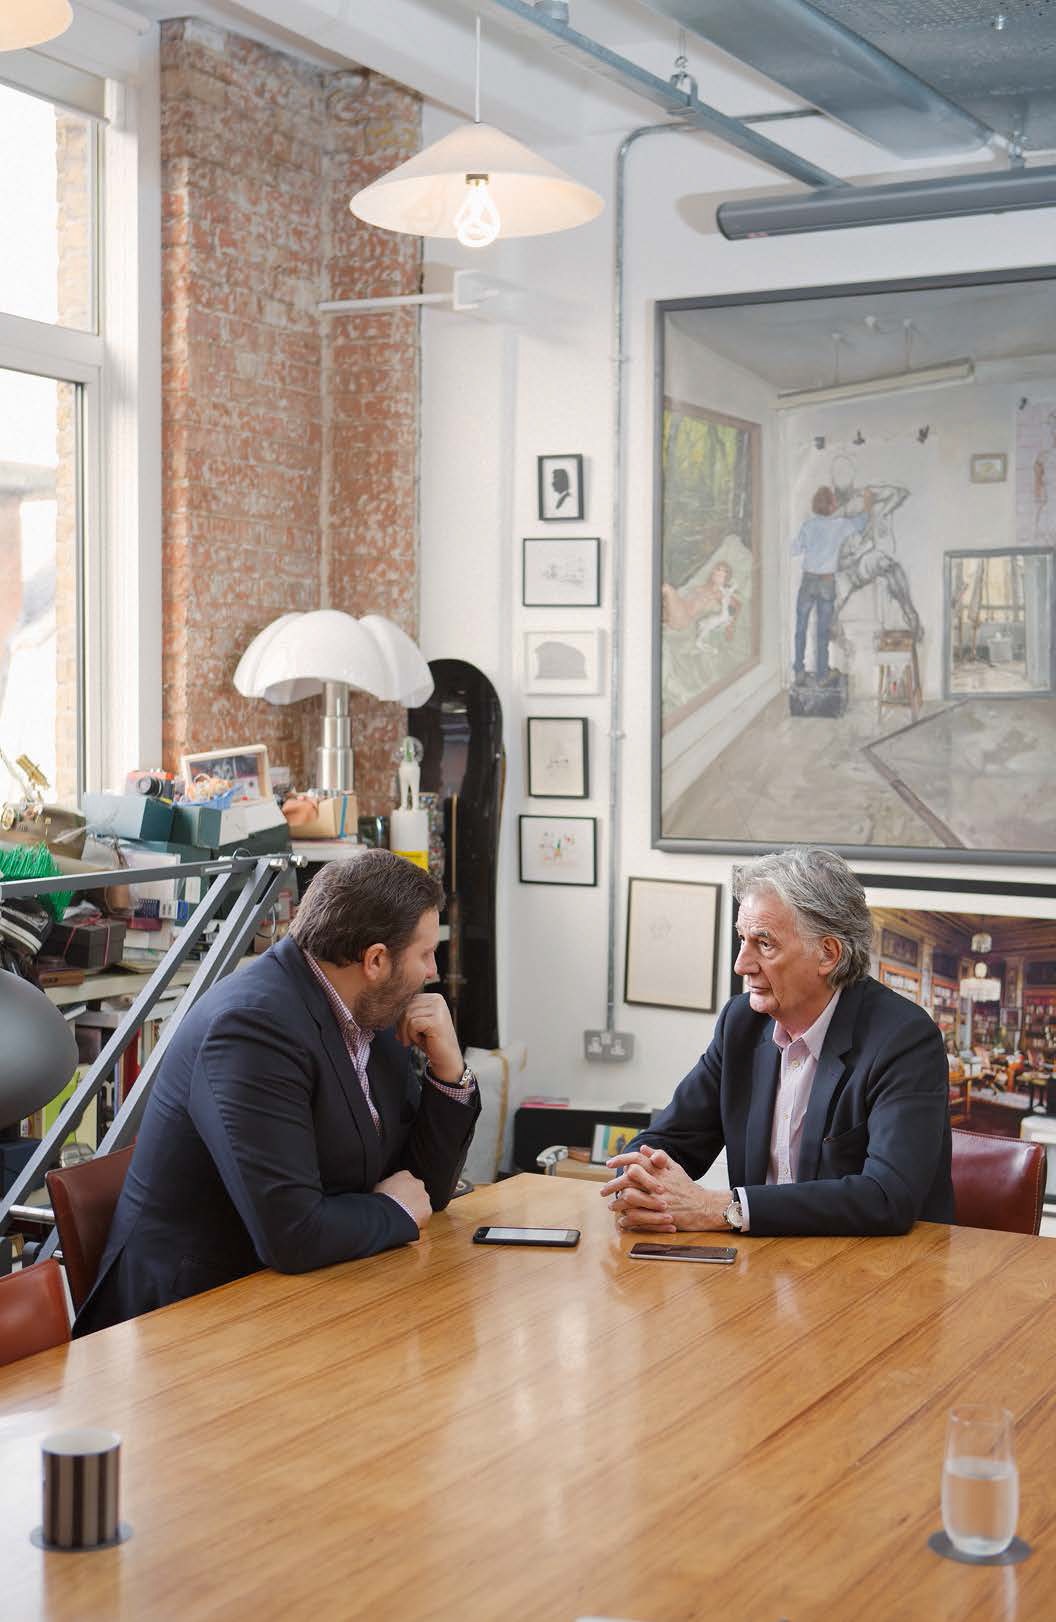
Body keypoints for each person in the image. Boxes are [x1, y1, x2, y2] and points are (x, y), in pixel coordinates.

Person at [74, 851, 480, 1334]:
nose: (432, 972)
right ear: (375, 960)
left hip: (297, 1293)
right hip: (185, 1320)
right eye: (425, 954)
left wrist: (448, 1071)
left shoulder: (369, 1011)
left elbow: (423, 1190)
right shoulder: (252, 1029)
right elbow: (293, 1234)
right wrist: (393, 1210)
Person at [601, 847, 953, 1238]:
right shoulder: (741, 1023)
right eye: (742, 939)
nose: (741, 964)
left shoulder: (904, 1038)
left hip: (873, 1265)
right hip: (760, 1260)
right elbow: (666, 1140)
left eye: (764, 944)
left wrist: (721, 1208)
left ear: (828, 954)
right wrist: (639, 1181)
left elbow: (887, 1197)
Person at [791, 485, 874, 683]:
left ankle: (799, 671)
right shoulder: (840, 525)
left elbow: (794, 550)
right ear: (831, 505)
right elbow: (862, 522)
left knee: (801, 628)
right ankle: (822, 675)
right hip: (827, 582)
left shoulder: (808, 526)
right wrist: (868, 502)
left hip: (808, 580)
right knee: (823, 631)